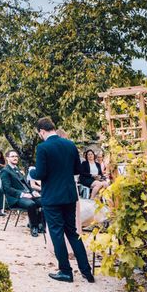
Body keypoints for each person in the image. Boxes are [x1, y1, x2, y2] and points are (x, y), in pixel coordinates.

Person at [29, 117, 94, 283]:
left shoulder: (42, 147)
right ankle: (87, 271)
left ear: (41, 131)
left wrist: (32, 172)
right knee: (73, 232)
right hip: (69, 195)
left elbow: (41, 173)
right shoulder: (70, 144)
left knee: (57, 233)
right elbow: (77, 170)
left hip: (52, 197)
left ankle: (65, 271)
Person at [0, 150, 44, 237]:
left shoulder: (17, 169)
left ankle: (39, 224)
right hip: (15, 198)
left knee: (44, 201)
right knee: (31, 204)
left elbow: (26, 184)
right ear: (7, 158)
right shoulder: (5, 171)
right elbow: (7, 189)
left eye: (16, 156)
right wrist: (23, 194)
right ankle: (34, 227)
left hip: (26, 194)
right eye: (12, 156)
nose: (15, 158)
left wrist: (33, 191)